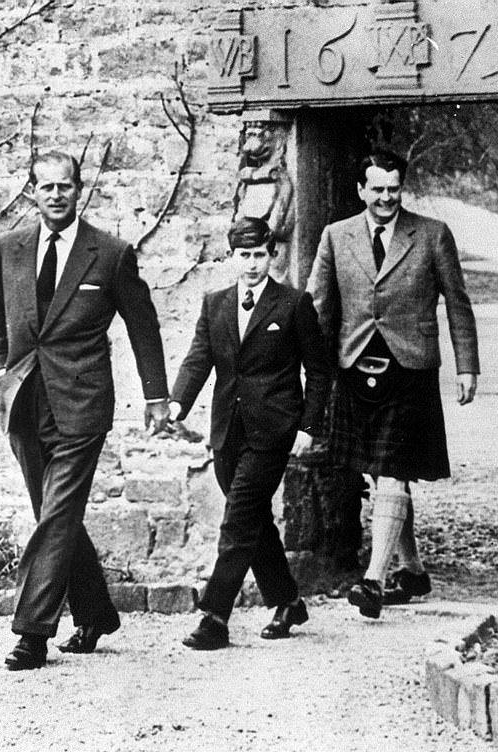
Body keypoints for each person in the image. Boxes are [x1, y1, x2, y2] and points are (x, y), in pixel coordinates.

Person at [0, 151, 169, 670]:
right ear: (33, 192)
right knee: (54, 516)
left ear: (79, 190)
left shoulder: (109, 253)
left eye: (66, 186)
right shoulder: (9, 246)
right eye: (47, 187)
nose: (57, 195)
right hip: (23, 402)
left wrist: (156, 396)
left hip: (82, 403)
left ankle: (31, 633)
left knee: (59, 513)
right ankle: (96, 612)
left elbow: (143, 326)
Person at [306, 149, 479, 619]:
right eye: (377, 189)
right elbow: (316, 307)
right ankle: (413, 569)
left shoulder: (431, 235)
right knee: (381, 472)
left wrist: (468, 366)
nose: (386, 198)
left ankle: (373, 581)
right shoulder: (335, 236)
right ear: (361, 190)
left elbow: (458, 303)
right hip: (354, 366)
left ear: (402, 188)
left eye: (393, 189)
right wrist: (310, 371)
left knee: (392, 468)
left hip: (411, 368)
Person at [170, 216, 330, 649]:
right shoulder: (215, 303)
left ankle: (214, 616)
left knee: (238, 518)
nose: (253, 264)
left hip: (272, 430)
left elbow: (318, 370)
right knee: (254, 520)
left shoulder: (293, 304)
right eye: (245, 255)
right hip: (227, 430)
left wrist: (308, 426)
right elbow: (198, 358)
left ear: (272, 255)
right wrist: (176, 403)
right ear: (232, 256)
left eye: (260, 254)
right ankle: (288, 600)